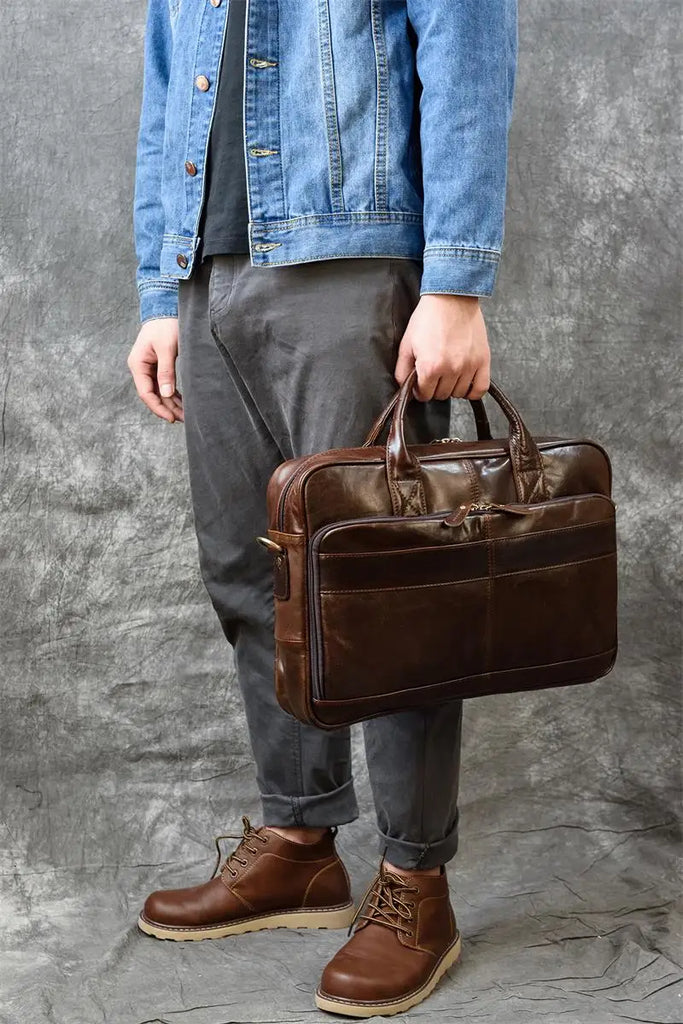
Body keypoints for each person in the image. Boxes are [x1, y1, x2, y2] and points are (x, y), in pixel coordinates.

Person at [127, 0, 517, 1016]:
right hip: (210, 271)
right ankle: (299, 841)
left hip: (348, 257)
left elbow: (465, 53)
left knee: (380, 591)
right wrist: (162, 291)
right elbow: (168, 86)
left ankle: (414, 881)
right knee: (250, 574)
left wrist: (456, 282)